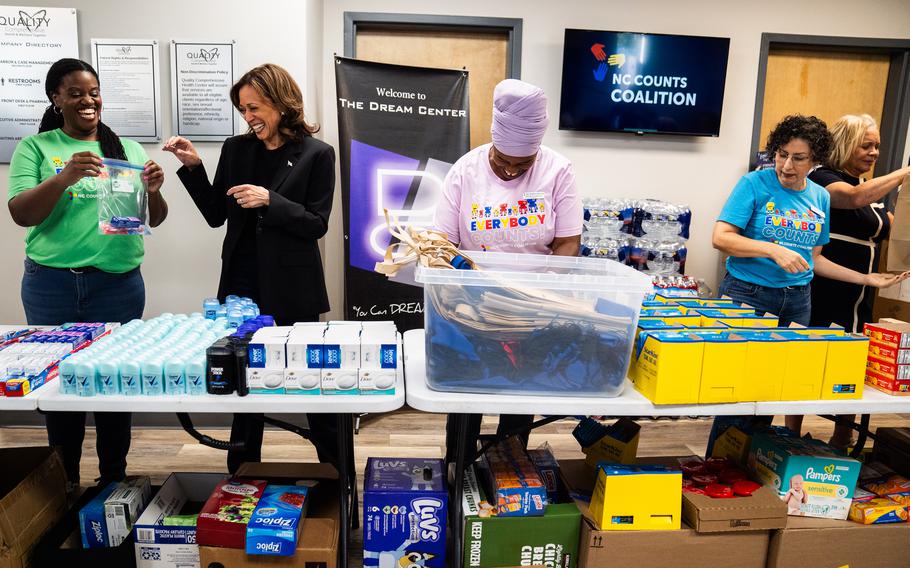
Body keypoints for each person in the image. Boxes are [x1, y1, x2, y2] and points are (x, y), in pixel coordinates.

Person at [163, 63, 336, 473]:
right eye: (243, 109)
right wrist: (193, 168)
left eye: (254, 107)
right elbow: (214, 215)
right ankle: (241, 476)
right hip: (241, 287)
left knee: (310, 381)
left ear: (280, 103)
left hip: (293, 287)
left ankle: (336, 472)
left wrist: (270, 201)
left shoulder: (317, 153)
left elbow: (317, 223)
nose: (248, 117)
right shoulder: (236, 150)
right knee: (244, 383)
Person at [7, 58, 168, 488]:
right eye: (75, 93)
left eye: (93, 91)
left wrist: (154, 192)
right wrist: (63, 177)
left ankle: (113, 479)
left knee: (114, 384)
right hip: (51, 285)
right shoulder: (36, 147)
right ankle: (66, 483)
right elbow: (22, 213)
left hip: (116, 285)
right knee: (59, 387)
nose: (87, 100)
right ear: (56, 98)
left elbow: (153, 218)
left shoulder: (128, 150)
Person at [434, 78, 582, 461]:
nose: (512, 171)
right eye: (503, 161)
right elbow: (442, 242)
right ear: (493, 141)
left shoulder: (558, 171)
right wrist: (462, 288)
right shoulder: (465, 171)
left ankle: (510, 473)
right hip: (473, 304)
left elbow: (567, 242)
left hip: (532, 306)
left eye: (523, 164)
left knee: (519, 398)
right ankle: (459, 469)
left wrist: (541, 293)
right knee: (468, 394)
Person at [712, 114, 905, 327]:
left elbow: (815, 260)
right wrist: (773, 250)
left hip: (798, 300)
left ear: (815, 159)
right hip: (749, 293)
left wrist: (866, 279)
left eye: (798, 158)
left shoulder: (820, 196)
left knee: (794, 361)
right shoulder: (753, 183)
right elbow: (721, 238)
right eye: (782, 154)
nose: (786, 165)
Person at [799, 114, 910, 448]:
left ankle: (843, 434)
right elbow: (851, 199)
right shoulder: (822, 178)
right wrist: (905, 172)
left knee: (851, 359)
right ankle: (791, 433)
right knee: (815, 357)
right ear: (845, 144)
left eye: (877, 145)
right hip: (827, 284)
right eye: (866, 145)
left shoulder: (869, 189)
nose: (874, 152)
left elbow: (890, 225)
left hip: (861, 292)